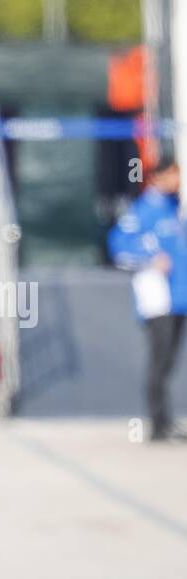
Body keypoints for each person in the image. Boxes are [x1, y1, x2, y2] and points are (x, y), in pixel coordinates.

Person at [107, 158, 187, 442]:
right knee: (159, 360)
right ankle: (158, 423)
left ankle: (167, 421)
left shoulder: (174, 209)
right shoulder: (144, 209)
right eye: (171, 175)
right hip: (158, 298)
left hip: (179, 297)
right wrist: (150, 260)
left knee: (170, 362)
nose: (176, 181)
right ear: (156, 177)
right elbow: (118, 247)